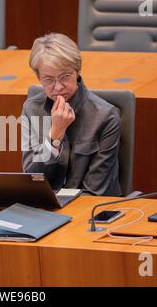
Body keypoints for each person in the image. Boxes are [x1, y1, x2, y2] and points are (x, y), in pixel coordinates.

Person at [22, 33, 122, 196]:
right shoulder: (31, 109)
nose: (58, 87)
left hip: (88, 211)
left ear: (77, 71)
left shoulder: (106, 116)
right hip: (45, 207)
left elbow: (97, 191)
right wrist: (55, 137)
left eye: (65, 77)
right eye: (48, 79)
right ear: (38, 78)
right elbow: (32, 180)